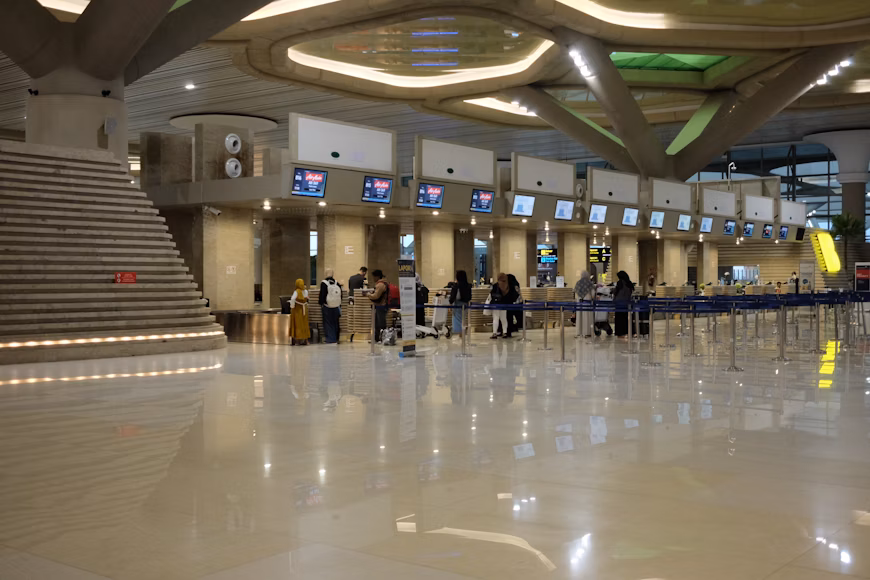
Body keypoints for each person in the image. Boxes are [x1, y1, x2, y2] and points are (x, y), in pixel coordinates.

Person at [490, 273, 519, 338]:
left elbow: (491, 294)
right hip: (504, 304)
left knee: (495, 319)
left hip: (496, 305)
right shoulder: (508, 286)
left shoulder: (495, 285)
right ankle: (505, 332)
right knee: (504, 319)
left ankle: (495, 333)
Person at [319, 268, 342, 344]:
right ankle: (336, 338)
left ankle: (330, 339)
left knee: (328, 323)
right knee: (336, 322)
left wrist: (321, 303)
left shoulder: (324, 283)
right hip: (336, 306)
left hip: (327, 306)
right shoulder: (337, 283)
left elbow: (322, 296)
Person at [367, 269, 389, 342]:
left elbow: (376, 296)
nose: (373, 278)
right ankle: (377, 338)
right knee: (377, 323)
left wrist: (368, 295)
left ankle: (382, 338)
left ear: (377, 276)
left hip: (381, 306)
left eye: (373, 277)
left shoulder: (380, 284)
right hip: (381, 306)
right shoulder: (384, 283)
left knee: (380, 323)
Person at [613, 270, 635, 337]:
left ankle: (619, 332)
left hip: (619, 303)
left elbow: (615, 291)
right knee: (626, 318)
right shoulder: (629, 283)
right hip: (627, 303)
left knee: (619, 318)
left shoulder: (620, 283)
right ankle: (628, 331)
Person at [449, 270, 471, 335]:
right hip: (465, 304)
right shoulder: (468, 286)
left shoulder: (456, 286)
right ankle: (463, 331)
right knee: (463, 319)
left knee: (457, 319)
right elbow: (469, 297)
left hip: (457, 304)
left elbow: (453, 296)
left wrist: (450, 303)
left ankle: (461, 332)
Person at [289, 278, 311, 345]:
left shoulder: (296, 291)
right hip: (305, 309)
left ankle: (297, 339)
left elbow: (292, 299)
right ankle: (305, 340)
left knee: (297, 324)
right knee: (305, 324)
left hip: (298, 310)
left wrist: (292, 306)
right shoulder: (305, 291)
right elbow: (306, 299)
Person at [574, 270, 595, 338]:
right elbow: (593, 293)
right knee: (587, 316)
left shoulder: (578, 283)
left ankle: (579, 332)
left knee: (579, 316)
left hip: (579, 300)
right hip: (587, 300)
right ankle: (587, 332)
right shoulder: (589, 283)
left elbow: (575, 292)